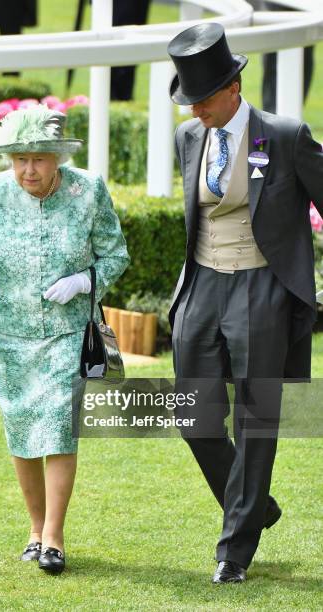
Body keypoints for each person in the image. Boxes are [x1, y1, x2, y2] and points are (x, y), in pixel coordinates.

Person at [167, 23, 323, 584]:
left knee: (257, 420)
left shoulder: (283, 136)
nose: (195, 111)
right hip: (201, 286)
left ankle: (233, 551)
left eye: (202, 99)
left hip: (261, 286)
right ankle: (256, 507)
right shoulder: (190, 139)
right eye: (188, 101)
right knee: (194, 416)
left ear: (232, 88)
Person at [0, 104, 129, 573]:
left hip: (68, 333)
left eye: (38, 159)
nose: (28, 170)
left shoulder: (87, 190)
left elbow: (116, 255)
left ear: (57, 158)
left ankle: (53, 535)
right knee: (21, 430)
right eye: (19, 160)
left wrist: (85, 280)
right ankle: (35, 529)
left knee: (56, 426)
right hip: (12, 336)